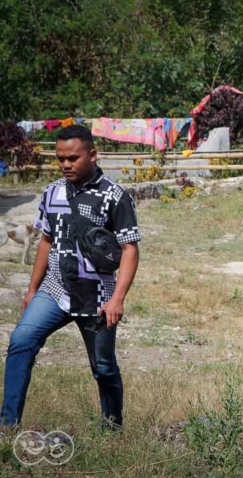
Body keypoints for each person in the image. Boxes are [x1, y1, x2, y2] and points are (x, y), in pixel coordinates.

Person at [0, 125, 141, 430]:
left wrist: (118, 299)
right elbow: (46, 241)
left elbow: (130, 249)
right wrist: (31, 290)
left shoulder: (115, 196)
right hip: (54, 290)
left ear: (92, 155)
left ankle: (112, 430)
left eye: (73, 158)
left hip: (97, 296)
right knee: (21, 341)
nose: (65, 164)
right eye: (61, 158)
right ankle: (7, 425)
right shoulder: (52, 192)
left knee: (103, 367)